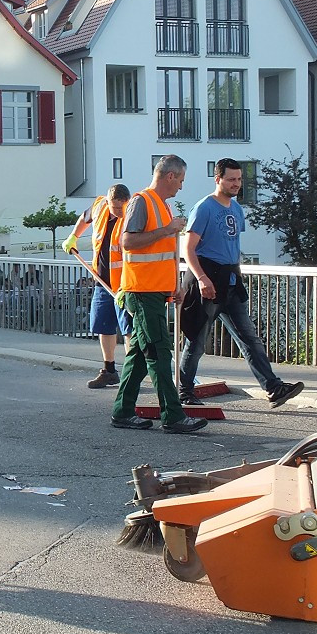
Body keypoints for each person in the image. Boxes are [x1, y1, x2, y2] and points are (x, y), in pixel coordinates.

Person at [178, 158, 304, 409]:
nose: (237, 184)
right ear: (218, 179)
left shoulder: (236, 209)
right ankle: (184, 391)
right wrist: (202, 279)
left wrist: (235, 275)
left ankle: (273, 387)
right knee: (197, 340)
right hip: (207, 278)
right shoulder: (204, 208)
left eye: (239, 179)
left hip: (231, 282)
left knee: (249, 337)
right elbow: (188, 248)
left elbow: (230, 246)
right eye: (231, 179)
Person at [111, 155, 208, 434]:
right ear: (170, 176)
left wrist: (172, 288)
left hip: (152, 291)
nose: (180, 186)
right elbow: (128, 242)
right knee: (159, 352)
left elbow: (161, 255)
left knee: (141, 356)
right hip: (141, 292)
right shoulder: (143, 201)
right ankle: (173, 416)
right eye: (180, 180)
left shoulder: (161, 205)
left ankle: (123, 411)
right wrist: (167, 230)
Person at [62, 184, 132, 388]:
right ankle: (109, 370)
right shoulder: (101, 206)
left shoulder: (132, 216)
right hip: (102, 282)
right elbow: (84, 218)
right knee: (104, 326)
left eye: (121, 208)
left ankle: (130, 375)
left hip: (124, 285)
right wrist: (73, 236)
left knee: (128, 330)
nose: (117, 212)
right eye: (114, 207)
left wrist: (127, 287)